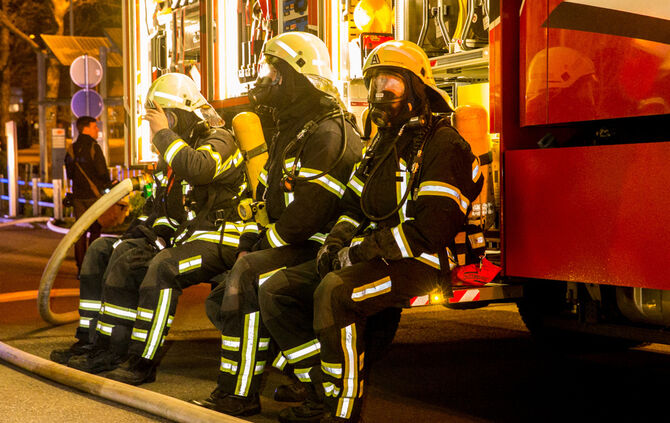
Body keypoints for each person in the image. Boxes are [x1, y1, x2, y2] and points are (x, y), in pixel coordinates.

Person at [259, 39, 484, 423]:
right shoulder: (382, 143)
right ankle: (319, 385)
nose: (380, 93)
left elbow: (431, 231)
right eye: (374, 83)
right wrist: (336, 241)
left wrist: (360, 252)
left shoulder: (444, 145)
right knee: (274, 288)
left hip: (421, 261)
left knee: (336, 292)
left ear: (416, 86)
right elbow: (353, 206)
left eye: (390, 83)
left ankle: (342, 411)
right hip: (377, 254)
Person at [190, 31, 363, 417]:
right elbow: (269, 194)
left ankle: (239, 392)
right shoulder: (295, 129)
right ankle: (310, 379)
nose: (264, 77)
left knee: (246, 278)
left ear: (294, 76)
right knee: (222, 299)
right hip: (293, 239)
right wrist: (251, 238)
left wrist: (259, 248)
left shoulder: (328, 133)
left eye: (272, 69)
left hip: (320, 245)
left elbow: (310, 213)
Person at [90, 72, 249, 385]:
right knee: (107, 250)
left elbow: (200, 169)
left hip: (224, 241)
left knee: (165, 268)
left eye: (167, 119)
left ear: (183, 116)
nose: (159, 129)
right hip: (190, 239)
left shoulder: (220, 140)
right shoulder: (176, 153)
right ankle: (103, 347)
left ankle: (142, 362)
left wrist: (164, 136)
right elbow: (161, 208)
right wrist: (143, 237)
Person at [65, 116, 111, 275]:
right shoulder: (93, 147)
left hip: (78, 197)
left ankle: (80, 268)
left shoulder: (71, 149)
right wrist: (108, 184)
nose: (97, 130)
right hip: (94, 196)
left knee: (80, 231)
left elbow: (69, 174)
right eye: (95, 127)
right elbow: (102, 172)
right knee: (95, 230)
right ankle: (92, 266)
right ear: (86, 128)